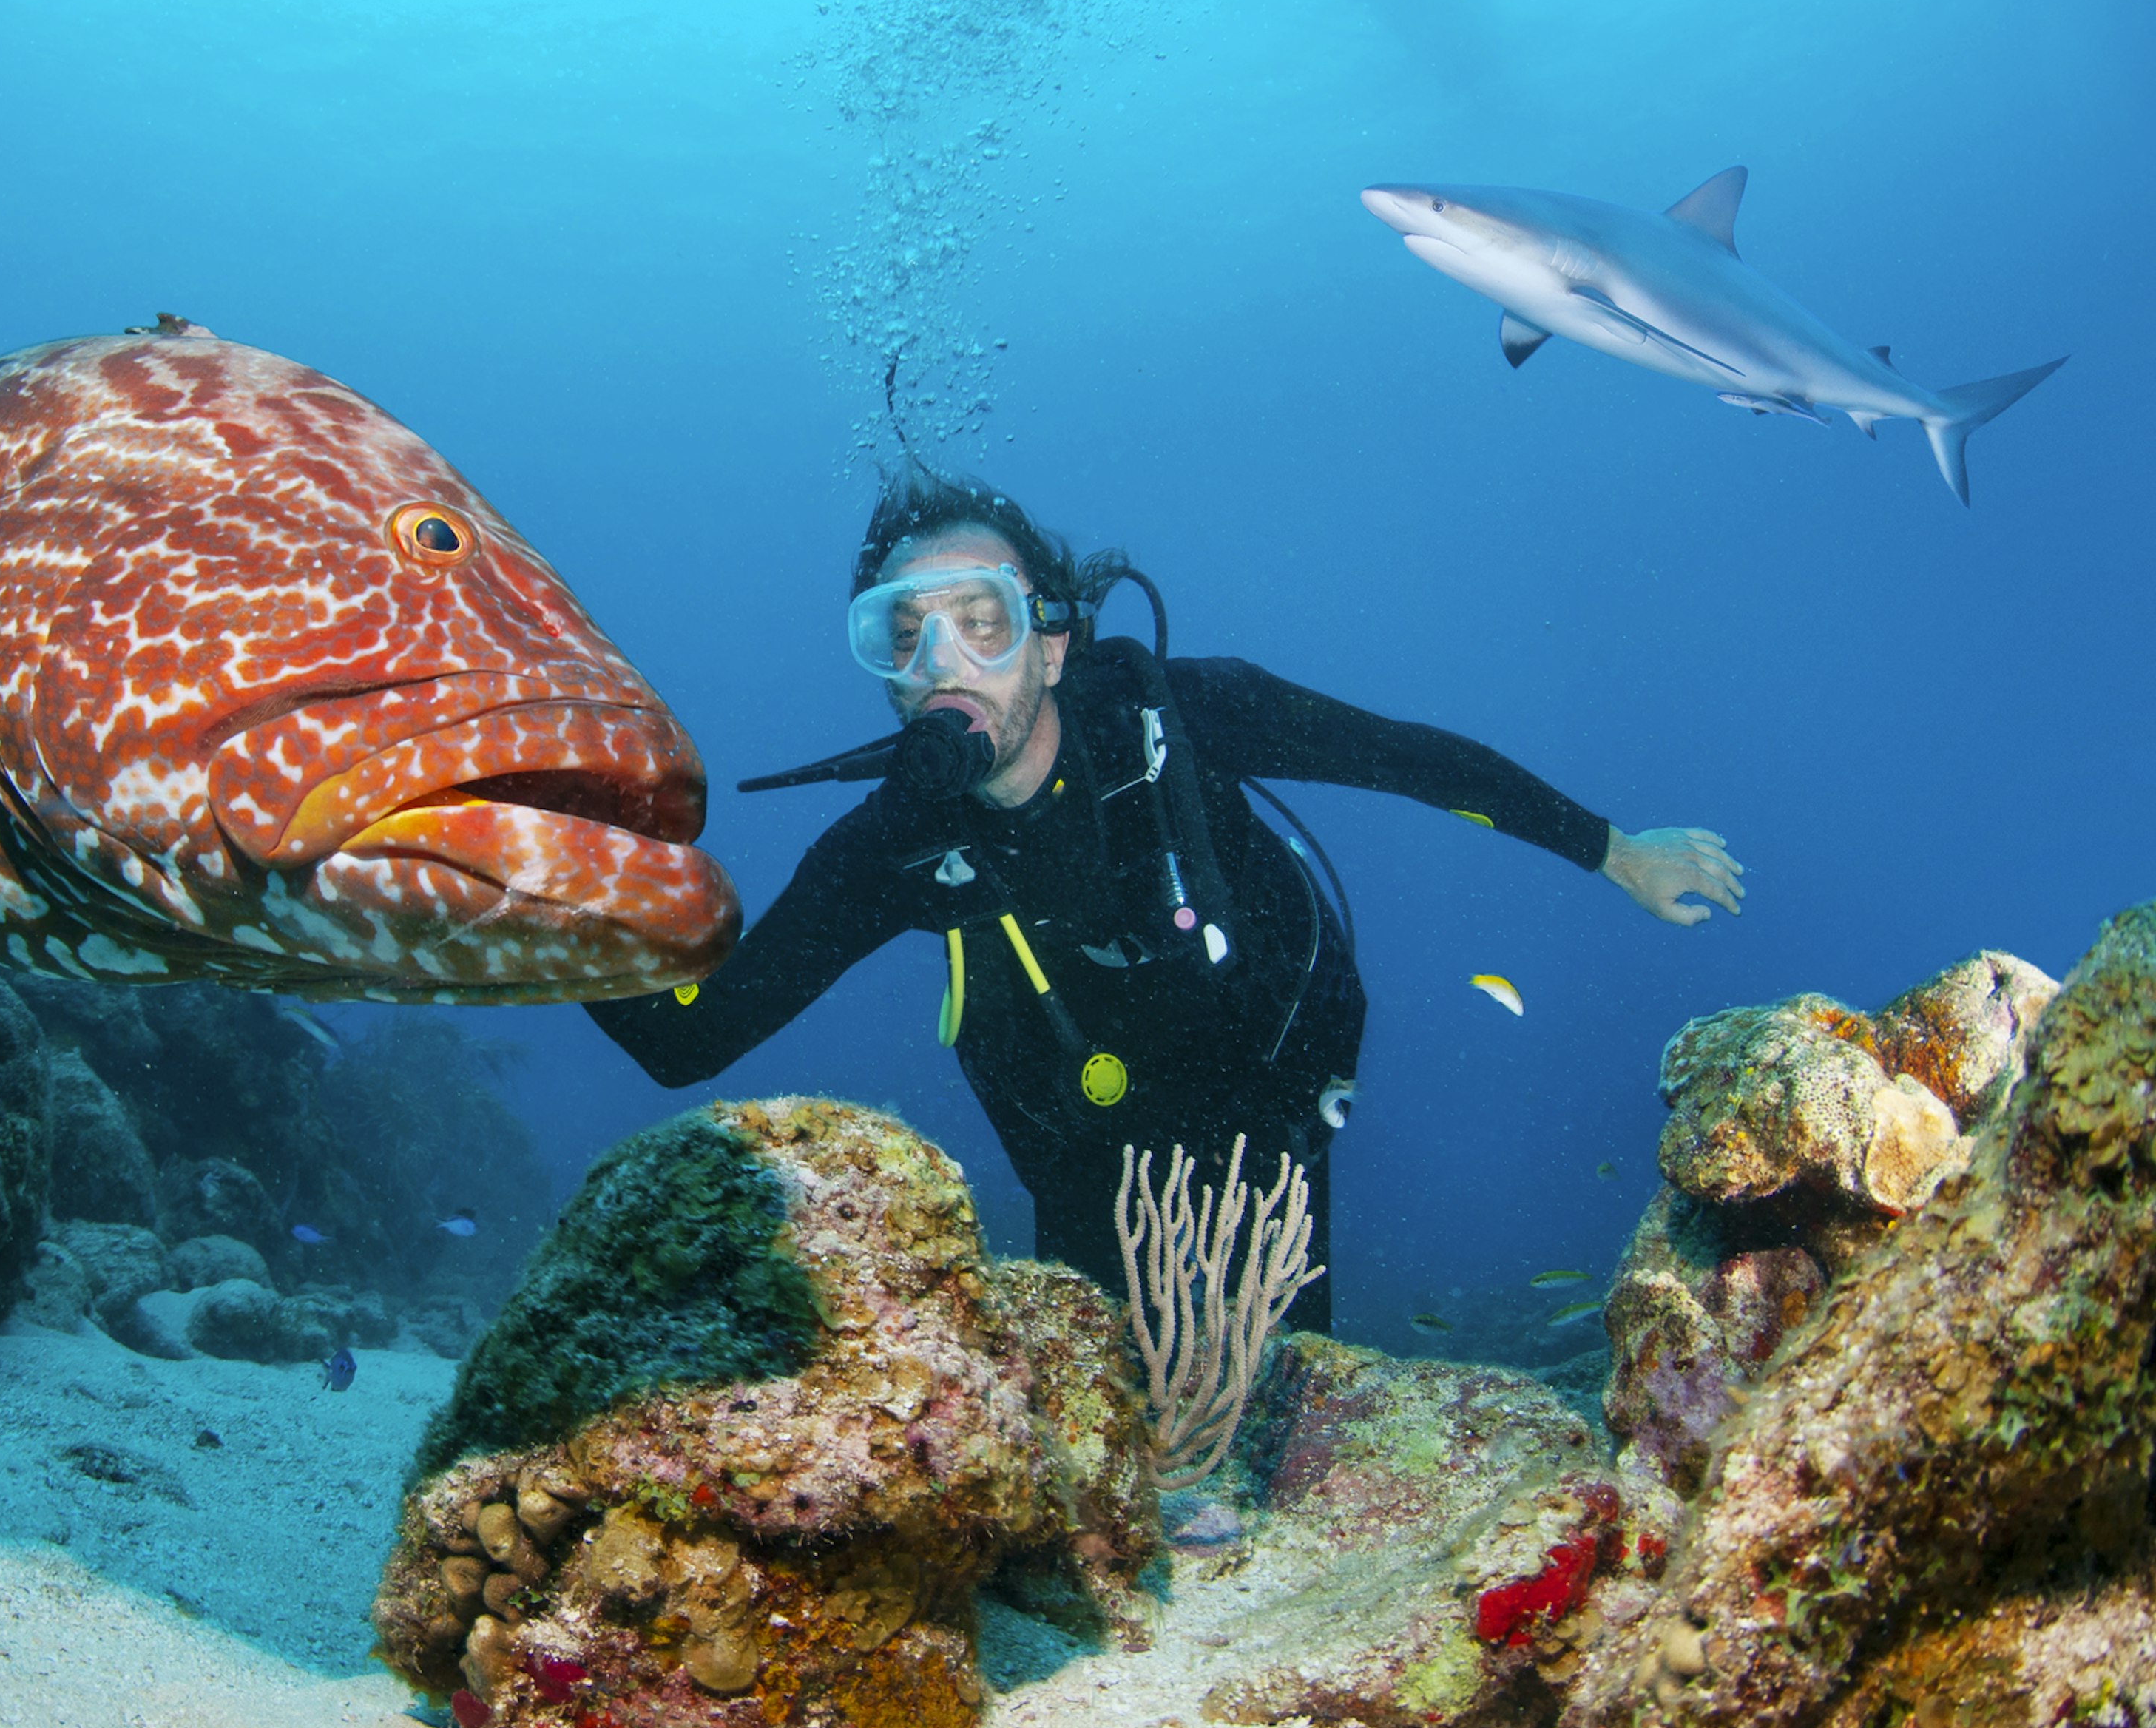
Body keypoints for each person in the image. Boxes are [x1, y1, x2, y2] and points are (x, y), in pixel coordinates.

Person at [586, 473, 1743, 1329]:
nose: (943, 660)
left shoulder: (1184, 714)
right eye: (903, 634)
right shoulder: (893, 841)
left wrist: (1618, 852)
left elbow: (1412, 761)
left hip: (1272, 1081)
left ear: (1053, 640)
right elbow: (693, 1041)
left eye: (981, 619)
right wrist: (530, 895)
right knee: (1101, 1413)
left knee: (1285, 1381)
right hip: (1083, 1146)